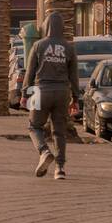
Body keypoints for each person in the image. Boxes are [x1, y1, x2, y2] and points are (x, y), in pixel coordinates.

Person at [22, 11, 78, 179]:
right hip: (62, 92)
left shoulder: (38, 45)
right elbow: (74, 76)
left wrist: (25, 93)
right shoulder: (69, 48)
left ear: (46, 26)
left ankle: (44, 151)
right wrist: (75, 98)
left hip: (40, 91)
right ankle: (59, 168)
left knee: (34, 126)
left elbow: (30, 72)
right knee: (59, 131)